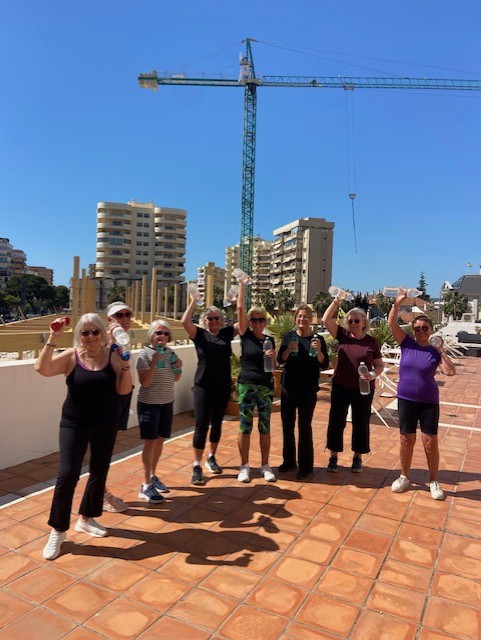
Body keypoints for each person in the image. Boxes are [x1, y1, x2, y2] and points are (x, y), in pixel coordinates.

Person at [36, 313, 132, 560]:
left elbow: (124, 390)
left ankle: (85, 519)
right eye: (85, 332)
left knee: (99, 472)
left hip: (106, 423)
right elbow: (42, 369)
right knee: (68, 474)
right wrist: (54, 337)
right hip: (74, 424)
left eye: (95, 331)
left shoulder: (112, 355)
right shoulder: (72, 356)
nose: (90, 336)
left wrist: (125, 365)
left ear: (103, 333)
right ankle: (58, 530)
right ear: (79, 335)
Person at [388, 295, 456, 500]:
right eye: (417, 328)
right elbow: (392, 323)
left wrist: (441, 350)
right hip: (406, 399)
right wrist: (397, 303)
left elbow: (450, 372)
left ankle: (434, 480)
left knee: (430, 442)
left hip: (428, 402)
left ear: (431, 330)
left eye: (424, 328)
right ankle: (404, 476)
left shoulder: (434, 351)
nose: (420, 331)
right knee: (406, 439)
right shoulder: (406, 343)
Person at [182, 283, 243, 485]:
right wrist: (193, 301)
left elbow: (243, 323)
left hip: (222, 385)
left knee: (217, 423)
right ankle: (196, 465)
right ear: (204, 321)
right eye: (210, 318)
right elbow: (184, 322)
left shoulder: (226, 333)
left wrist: (236, 302)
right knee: (201, 425)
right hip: (203, 386)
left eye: (217, 318)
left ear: (221, 320)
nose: (214, 321)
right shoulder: (199, 334)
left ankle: (211, 457)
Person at [322, 298, 383, 473]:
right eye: (350, 321)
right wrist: (336, 301)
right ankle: (333, 455)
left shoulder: (371, 342)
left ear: (364, 322)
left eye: (357, 321)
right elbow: (326, 319)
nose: (353, 324)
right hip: (341, 386)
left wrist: (372, 375)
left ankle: (358, 456)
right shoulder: (342, 335)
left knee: (361, 422)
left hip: (363, 389)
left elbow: (379, 365)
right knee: (336, 421)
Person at [277, 305, 329, 479]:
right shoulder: (289, 337)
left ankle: (306, 466)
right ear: (295, 319)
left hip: (308, 390)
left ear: (310, 319)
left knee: (304, 426)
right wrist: (288, 349)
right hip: (288, 388)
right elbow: (280, 359)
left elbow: (324, 364)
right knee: (287, 425)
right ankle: (289, 461)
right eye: (299, 316)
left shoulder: (317, 339)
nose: (302, 319)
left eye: (305, 316)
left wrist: (319, 351)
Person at [136, 320, 182, 503]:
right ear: (151, 336)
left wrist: (178, 366)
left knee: (160, 440)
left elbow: (176, 378)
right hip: (149, 404)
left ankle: (153, 475)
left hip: (166, 403)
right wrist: (154, 362)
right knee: (150, 442)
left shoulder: (171, 353)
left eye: (165, 333)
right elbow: (144, 383)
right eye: (158, 333)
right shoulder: (144, 355)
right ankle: (145, 484)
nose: (162, 336)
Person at [236, 303, 276, 483]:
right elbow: (239, 308)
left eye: (261, 320)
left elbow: (273, 368)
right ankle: (244, 466)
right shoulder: (245, 335)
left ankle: (265, 465)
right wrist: (242, 288)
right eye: (254, 320)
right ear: (250, 322)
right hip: (247, 385)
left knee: (264, 426)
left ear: (265, 322)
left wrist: (273, 358)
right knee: (245, 426)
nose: (258, 323)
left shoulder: (270, 340)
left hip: (265, 386)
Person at [101, 300, 135, 513]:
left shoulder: (124, 340)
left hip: (121, 395)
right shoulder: (103, 338)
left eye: (127, 315)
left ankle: (100, 491)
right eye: (119, 315)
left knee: (109, 446)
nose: (124, 319)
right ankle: (100, 494)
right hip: (105, 399)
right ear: (110, 320)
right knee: (102, 448)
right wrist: (110, 339)